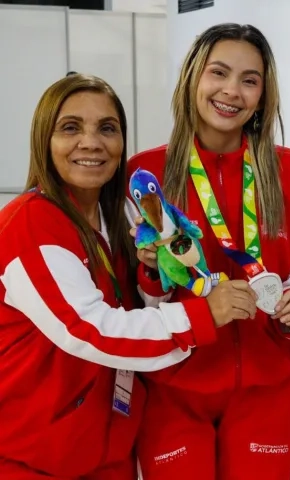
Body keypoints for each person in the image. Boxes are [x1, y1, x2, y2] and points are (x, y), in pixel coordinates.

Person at [0, 74, 252, 478]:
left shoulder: (113, 219)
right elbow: (89, 328)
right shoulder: (28, 226)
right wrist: (203, 316)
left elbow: (128, 305)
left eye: (107, 128)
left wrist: (151, 275)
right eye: (70, 127)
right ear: (44, 139)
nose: (91, 142)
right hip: (36, 460)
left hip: (108, 450)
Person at [127, 24, 290, 479]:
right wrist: (151, 273)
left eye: (250, 79)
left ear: (263, 93)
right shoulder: (145, 175)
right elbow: (140, 304)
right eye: (219, 73)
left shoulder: (287, 169)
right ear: (193, 76)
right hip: (174, 387)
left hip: (267, 387)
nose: (232, 91)